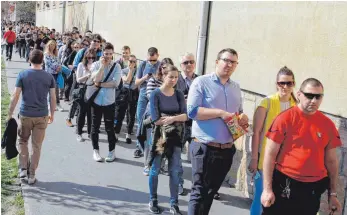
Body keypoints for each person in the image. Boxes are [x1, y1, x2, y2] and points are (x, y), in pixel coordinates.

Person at [261, 78, 342, 215]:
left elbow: (332, 162)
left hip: (311, 190)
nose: (314, 100)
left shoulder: (328, 125)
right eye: (309, 96)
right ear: (299, 94)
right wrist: (267, 189)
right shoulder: (284, 119)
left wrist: (332, 194)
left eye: (318, 96)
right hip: (284, 183)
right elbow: (269, 155)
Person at [187, 48, 248, 215]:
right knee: (199, 192)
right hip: (205, 147)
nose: (229, 65)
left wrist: (243, 117)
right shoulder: (201, 82)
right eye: (226, 60)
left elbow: (239, 111)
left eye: (233, 62)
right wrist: (220, 113)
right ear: (217, 61)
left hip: (227, 149)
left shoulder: (235, 87)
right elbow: (192, 112)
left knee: (210, 193)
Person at [247, 66, 297, 215]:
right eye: (282, 83)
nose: (285, 87)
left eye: (289, 83)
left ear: (294, 84)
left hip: (287, 163)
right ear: (277, 84)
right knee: (260, 197)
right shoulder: (266, 103)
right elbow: (256, 132)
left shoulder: (297, 106)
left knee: (279, 202)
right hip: (265, 161)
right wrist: (254, 158)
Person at [7, 49, 56, 185]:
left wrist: (10, 114)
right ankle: (32, 174)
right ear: (42, 61)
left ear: (29, 60)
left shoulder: (23, 74)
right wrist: (52, 114)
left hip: (25, 114)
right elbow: (52, 97)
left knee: (22, 140)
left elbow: (15, 95)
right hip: (42, 115)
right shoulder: (49, 77)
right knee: (37, 146)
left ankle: (23, 168)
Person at [148, 65, 187, 215]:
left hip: (176, 137)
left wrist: (172, 118)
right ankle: (153, 199)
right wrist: (175, 119)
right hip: (160, 137)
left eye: (176, 77)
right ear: (163, 76)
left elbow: (186, 116)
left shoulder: (178, 94)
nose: (173, 80)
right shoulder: (156, 94)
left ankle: (174, 203)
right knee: (155, 169)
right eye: (170, 77)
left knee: (174, 171)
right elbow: (155, 119)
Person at [87, 42, 121, 162]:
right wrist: (102, 67)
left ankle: (112, 151)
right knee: (94, 127)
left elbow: (115, 83)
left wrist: (100, 84)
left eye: (110, 54)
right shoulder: (96, 64)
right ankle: (95, 151)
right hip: (96, 101)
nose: (108, 56)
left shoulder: (117, 67)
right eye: (106, 53)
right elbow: (95, 78)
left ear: (113, 54)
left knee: (109, 128)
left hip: (109, 102)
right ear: (102, 53)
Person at [133, 47, 160, 158]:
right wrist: (146, 77)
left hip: (156, 93)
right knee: (140, 119)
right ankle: (139, 147)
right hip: (144, 93)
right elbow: (136, 82)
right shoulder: (143, 65)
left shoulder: (161, 65)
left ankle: (152, 146)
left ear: (158, 56)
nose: (152, 62)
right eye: (150, 60)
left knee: (154, 121)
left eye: (154, 60)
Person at [114, 54, 138, 143]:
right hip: (124, 93)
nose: (132, 63)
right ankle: (116, 134)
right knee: (120, 114)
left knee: (131, 115)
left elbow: (137, 84)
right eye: (130, 61)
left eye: (133, 61)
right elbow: (126, 80)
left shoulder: (138, 72)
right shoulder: (123, 70)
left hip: (133, 93)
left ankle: (128, 134)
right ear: (127, 61)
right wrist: (131, 70)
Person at [75, 48, 96, 142]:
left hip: (93, 91)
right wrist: (87, 76)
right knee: (82, 113)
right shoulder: (80, 65)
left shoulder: (95, 65)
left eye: (93, 57)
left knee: (91, 114)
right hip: (83, 90)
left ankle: (89, 133)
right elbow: (78, 79)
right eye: (89, 57)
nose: (91, 59)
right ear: (85, 57)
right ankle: (79, 133)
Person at [43, 40, 65, 111]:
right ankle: (51, 104)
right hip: (49, 74)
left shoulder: (55, 54)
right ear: (48, 46)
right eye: (51, 45)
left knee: (56, 89)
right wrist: (57, 68)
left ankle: (57, 104)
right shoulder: (46, 54)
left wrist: (59, 67)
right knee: (51, 89)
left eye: (54, 45)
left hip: (56, 74)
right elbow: (48, 63)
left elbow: (59, 62)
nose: (52, 46)